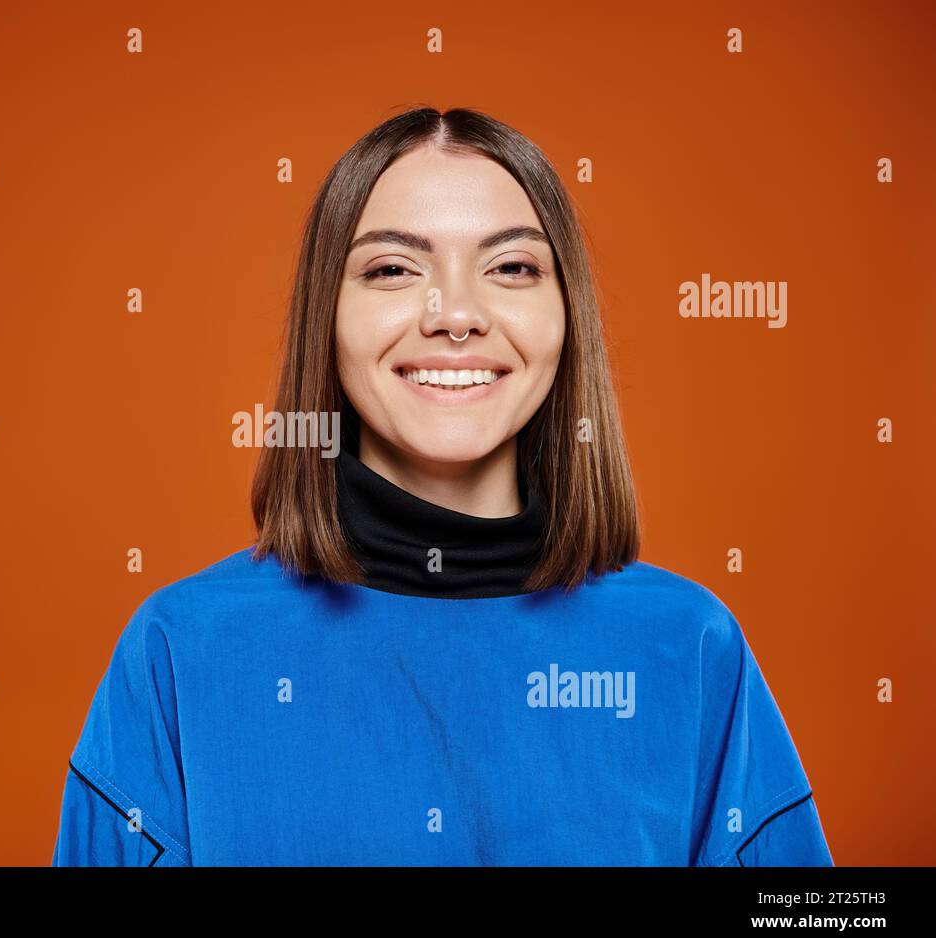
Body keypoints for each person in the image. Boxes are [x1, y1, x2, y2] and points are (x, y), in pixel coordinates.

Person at [51, 106, 833, 866]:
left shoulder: (689, 647)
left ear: (566, 319)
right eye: (393, 268)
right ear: (327, 318)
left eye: (512, 267)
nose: (454, 313)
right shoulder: (180, 652)